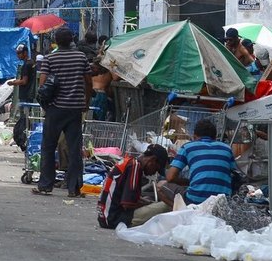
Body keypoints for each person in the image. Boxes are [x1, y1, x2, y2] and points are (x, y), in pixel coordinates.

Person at [33, 28, 92, 197]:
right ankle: (74, 188)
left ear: (56, 42)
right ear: (72, 40)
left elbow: (43, 84)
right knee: (74, 149)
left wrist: (46, 105)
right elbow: (88, 82)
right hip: (75, 109)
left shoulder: (50, 58)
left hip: (55, 109)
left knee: (48, 147)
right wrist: (85, 101)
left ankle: (45, 185)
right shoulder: (81, 57)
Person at [157, 119, 237, 207]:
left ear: (194, 137)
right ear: (215, 137)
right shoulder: (227, 148)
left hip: (195, 200)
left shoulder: (187, 147)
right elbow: (233, 174)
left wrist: (189, 182)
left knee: (160, 186)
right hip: (223, 202)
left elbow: (170, 177)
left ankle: (184, 211)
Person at [97, 144, 170, 229]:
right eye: (156, 168)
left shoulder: (128, 162)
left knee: (149, 201)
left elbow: (125, 197)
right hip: (115, 220)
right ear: (152, 160)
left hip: (104, 218)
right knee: (166, 206)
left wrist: (146, 202)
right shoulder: (135, 167)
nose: (154, 172)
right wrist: (149, 204)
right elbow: (127, 204)